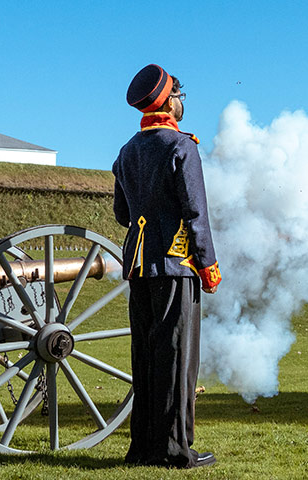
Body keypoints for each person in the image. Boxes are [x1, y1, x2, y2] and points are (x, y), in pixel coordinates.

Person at [112, 64, 222, 469]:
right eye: (179, 94)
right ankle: (176, 449)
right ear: (169, 101)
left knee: (144, 357)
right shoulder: (182, 147)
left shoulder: (127, 151)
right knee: (177, 359)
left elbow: (123, 214)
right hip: (176, 266)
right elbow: (196, 213)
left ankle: (141, 447)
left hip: (139, 266)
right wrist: (207, 265)